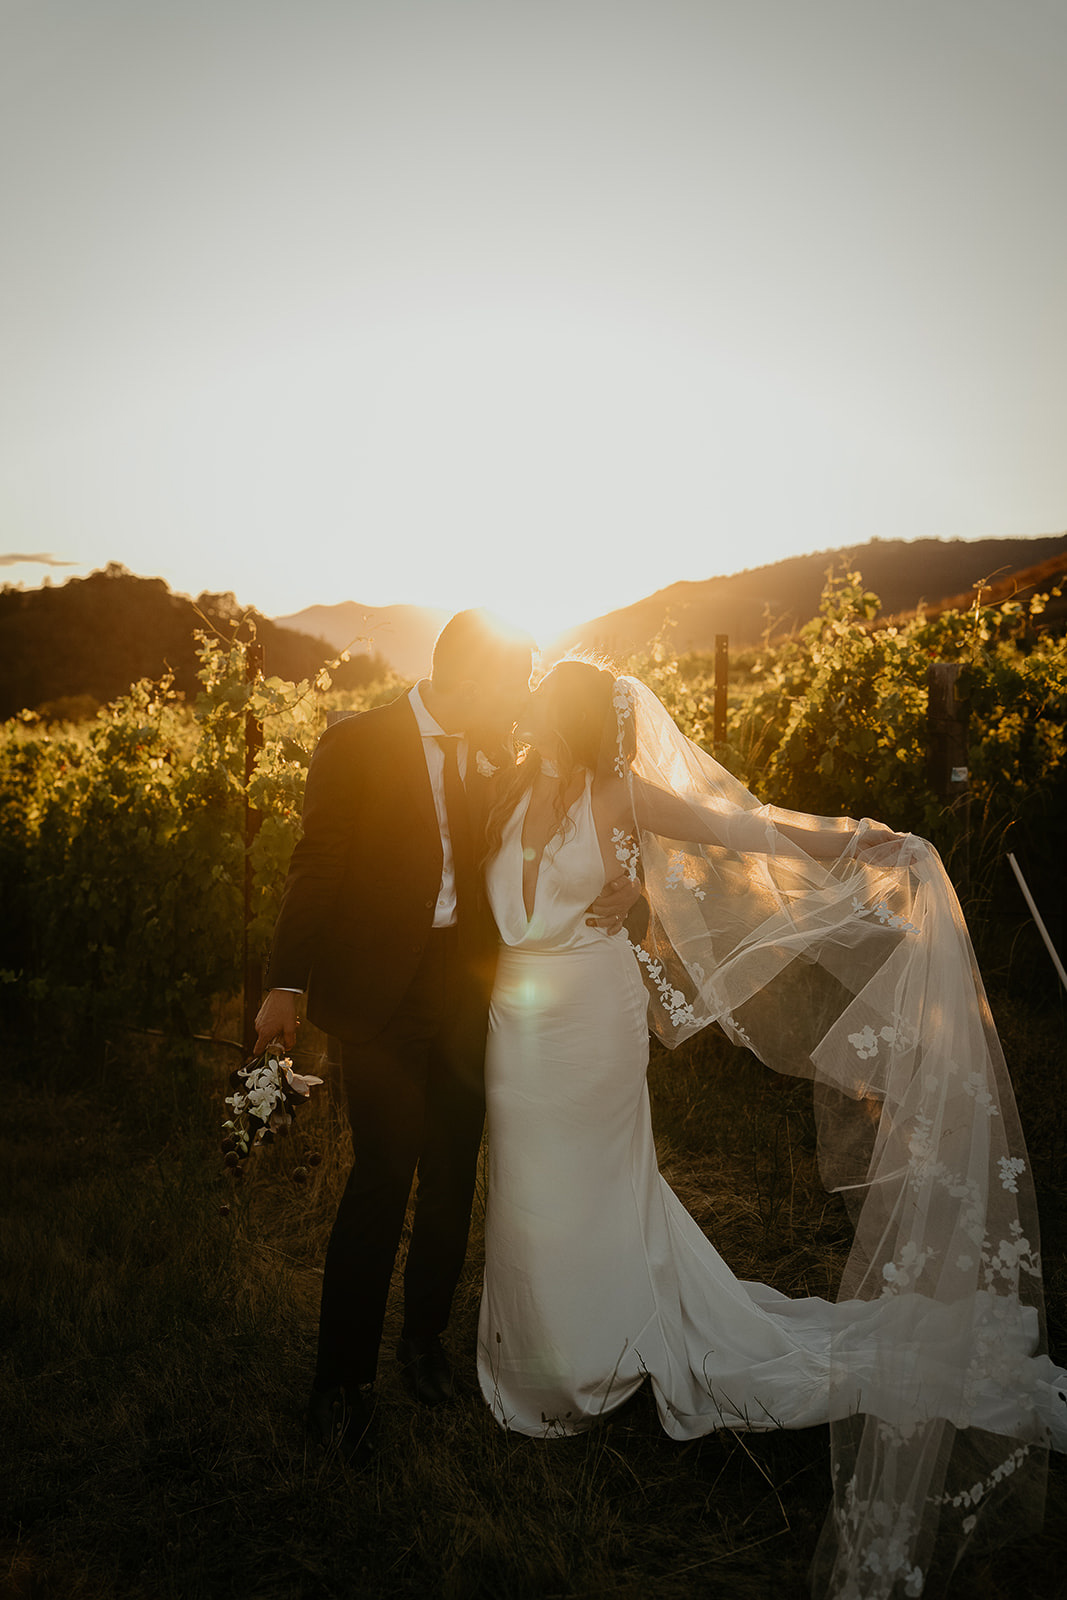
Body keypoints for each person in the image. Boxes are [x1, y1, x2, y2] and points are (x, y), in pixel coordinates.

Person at [476, 658, 1067, 1600]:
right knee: (529, 1187)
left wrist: (857, 844)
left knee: (590, 1185)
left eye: (547, 705)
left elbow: (736, 829)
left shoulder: (621, 793)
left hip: (591, 1020)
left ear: (576, 722)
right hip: (516, 1026)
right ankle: (533, 1353)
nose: (530, 712)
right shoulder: (504, 789)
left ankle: (598, 1360)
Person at [253, 613, 638, 1467]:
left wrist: (629, 892)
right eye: (508, 686)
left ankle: (422, 1342)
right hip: (380, 1001)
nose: (518, 704)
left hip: (471, 996)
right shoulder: (355, 744)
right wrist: (284, 982)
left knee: (454, 1173)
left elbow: (590, 826)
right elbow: (315, 863)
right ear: (462, 676)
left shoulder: (495, 754)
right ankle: (339, 1382)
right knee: (383, 1175)